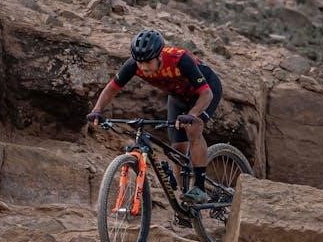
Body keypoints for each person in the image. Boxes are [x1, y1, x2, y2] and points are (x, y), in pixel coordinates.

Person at [86, 29, 223, 217]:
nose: (143, 67)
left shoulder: (180, 59)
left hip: (205, 91)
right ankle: (184, 201)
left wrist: (192, 114)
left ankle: (199, 187)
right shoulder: (134, 65)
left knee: (193, 129)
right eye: (140, 63)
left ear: (159, 56)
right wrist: (97, 110)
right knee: (177, 147)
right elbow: (112, 88)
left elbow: (206, 94)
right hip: (178, 97)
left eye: (147, 62)